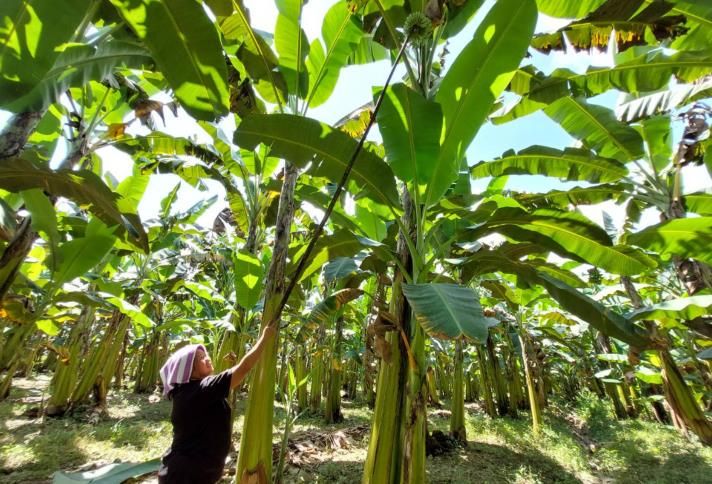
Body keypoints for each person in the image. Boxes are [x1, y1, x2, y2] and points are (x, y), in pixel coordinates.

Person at [157, 324, 277, 483]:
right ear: (189, 370)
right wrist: (265, 338)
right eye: (201, 359)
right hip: (186, 475)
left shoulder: (188, 391)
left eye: (205, 355)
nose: (207, 358)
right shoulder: (201, 389)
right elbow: (243, 369)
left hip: (186, 471)